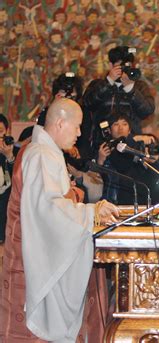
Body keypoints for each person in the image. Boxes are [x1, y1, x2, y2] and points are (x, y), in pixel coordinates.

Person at [0, 98, 119, 342]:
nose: (79, 133)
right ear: (61, 123)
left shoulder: (46, 152)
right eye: (77, 126)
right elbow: (47, 208)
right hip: (29, 260)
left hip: (33, 253)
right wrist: (91, 212)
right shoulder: (41, 154)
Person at [82, 45, 155, 147]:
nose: (124, 70)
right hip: (102, 144)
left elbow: (148, 110)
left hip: (132, 143)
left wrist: (130, 89)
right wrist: (108, 82)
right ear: (111, 65)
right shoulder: (98, 84)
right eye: (121, 66)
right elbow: (87, 103)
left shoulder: (139, 86)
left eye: (128, 66)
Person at [0, 114, 15, 243]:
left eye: (0, 131)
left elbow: (18, 178)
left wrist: (9, 156)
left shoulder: (12, 150)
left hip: (6, 204)